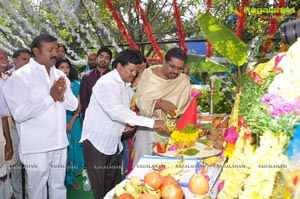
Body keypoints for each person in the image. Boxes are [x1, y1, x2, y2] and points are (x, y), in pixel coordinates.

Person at [80, 49, 169, 199]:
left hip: (113, 143)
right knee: (101, 192)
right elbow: (116, 111)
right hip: (97, 143)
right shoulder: (106, 83)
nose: (134, 74)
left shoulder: (126, 86)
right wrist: (151, 123)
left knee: (114, 189)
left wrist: (126, 125)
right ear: (119, 66)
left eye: (137, 71)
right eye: (132, 70)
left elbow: (124, 114)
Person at [3, 34, 78, 199]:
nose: (55, 53)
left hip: (59, 142)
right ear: (36, 51)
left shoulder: (59, 74)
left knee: (59, 187)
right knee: (37, 190)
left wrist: (61, 96)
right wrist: (50, 97)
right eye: (50, 49)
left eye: (56, 49)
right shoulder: (20, 77)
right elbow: (20, 114)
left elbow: (73, 105)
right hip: (36, 146)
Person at [132, 47, 193, 167]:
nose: (175, 71)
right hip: (148, 128)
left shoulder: (184, 81)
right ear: (164, 62)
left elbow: (185, 107)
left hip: (172, 129)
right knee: (144, 166)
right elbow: (141, 100)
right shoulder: (148, 75)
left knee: (168, 168)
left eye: (180, 68)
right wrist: (159, 104)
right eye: (172, 66)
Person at [55, 57, 84, 190]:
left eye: (67, 67)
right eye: (62, 68)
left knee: (74, 149)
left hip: (74, 120)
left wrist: (73, 119)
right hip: (58, 120)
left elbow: (79, 105)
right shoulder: (54, 84)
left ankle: (71, 178)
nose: (65, 70)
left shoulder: (77, 84)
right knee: (62, 151)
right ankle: (60, 180)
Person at [9, 48, 31, 199]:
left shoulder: (32, 78)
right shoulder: (8, 78)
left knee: (30, 166)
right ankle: (18, 195)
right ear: (14, 60)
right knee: (15, 165)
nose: (27, 63)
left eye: (29, 60)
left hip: (29, 128)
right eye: (24, 59)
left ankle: (30, 194)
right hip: (10, 129)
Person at [79, 47, 112, 121]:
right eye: (101, 57)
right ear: (97, 58)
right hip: (89, 116)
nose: (103, 60)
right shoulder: (87, 76)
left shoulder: (113, 76)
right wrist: (90, 114)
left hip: (108, 117)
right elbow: (83, 99)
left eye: (107, 58)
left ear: (109, 61)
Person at [0, 48, 14, 199]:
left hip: (8, 128)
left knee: (6, 168)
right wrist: (8, 142)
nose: (4, 58)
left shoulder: (7, 80)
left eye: (5, 56)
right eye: (0, 56)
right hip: (3, 133)